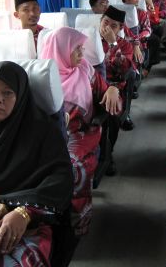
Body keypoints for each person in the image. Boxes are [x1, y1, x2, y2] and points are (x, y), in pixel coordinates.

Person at [0, 61, 73, 265]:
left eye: (7, 93)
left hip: (23, 217)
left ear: (20, 97)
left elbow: (60, 181)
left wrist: (25, 213)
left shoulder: (42, 131)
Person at [40, 27, 121, 233]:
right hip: (46, 135)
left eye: (82, 48)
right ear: (61, 49)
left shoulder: (85, 69)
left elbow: (105, 90)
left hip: (80, 133)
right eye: (76, 48)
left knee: (72, 166)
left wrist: (113, 89)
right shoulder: (42, 77)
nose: (81, 53)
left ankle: (76, 222)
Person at [99, 6, 136, 132]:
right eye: (105, 22)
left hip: (114, 83)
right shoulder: (88, 40)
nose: (108, 28)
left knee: (113, 112)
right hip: (92, 83)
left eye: (113, 26)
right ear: (100, 21)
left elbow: (123, 69)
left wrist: (112, 44)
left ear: (120, 28)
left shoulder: (125, 45)